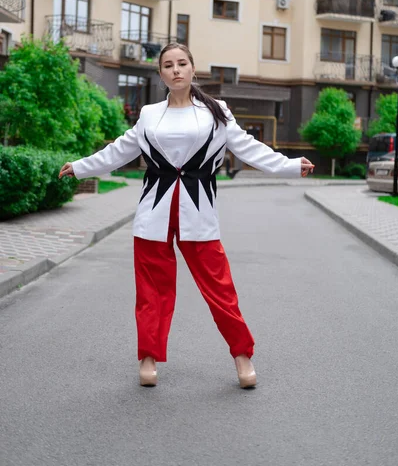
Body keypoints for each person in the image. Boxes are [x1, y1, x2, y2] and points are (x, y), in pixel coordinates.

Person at [59, 43, 315, 389]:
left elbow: (248, 148)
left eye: (182, 63)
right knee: (152, 292)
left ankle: (243, 355)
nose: (176, 70)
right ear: (161, 74)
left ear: (193, 69)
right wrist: (80, 167)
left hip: (199, 215)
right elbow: (120, 150)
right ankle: (148, 357)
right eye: (168, 65)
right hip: (153, 214)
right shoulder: (150, 114)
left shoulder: (216, 112)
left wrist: (289, 165)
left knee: (221, 290)